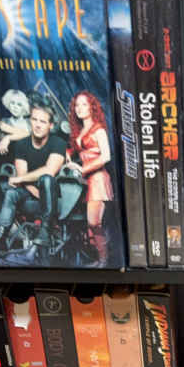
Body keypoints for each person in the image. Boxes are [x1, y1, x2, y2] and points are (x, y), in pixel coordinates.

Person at [0, 98, 66, 250]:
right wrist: (33, 190)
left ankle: (45, 230)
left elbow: (49, 170)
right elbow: (22, 175)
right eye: (34, 120)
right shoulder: (22, 144)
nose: (37, 125)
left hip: (52, 195)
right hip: (31, 192)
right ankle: (1, 236)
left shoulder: (58, 143)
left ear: (51, 125)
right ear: (30, 121)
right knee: (11, 193)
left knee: (46, 179)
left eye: (43, 121)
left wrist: (21, 179)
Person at [67, 91, 113, 265]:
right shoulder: (80, 130)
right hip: (85, 181)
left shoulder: (98, 129)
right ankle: (99, 259)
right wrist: (67, 154)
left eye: (84, 104)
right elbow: (77, 149)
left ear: (92, 107)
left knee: (94, 223)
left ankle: (104, 260)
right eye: (76, 105)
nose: (79, 108)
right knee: (88, 225)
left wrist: (82, 168)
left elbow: (106, 156)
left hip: (98, 179)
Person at [0, 89, 31, 155]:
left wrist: (9, 137)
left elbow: (31, 136)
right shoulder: (4, 122)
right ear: (8, 104)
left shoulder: (30, 122)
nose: (15, 107)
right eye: (12, 103)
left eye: (19, 104)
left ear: (24, 107)